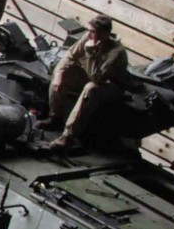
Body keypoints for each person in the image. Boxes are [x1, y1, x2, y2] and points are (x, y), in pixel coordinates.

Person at [47, 13, 130, 149]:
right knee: (63, 73)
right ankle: (55, 117)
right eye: (89, 31)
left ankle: (68, 136)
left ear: (105, 33)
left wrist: (90, 54)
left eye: (94, 32)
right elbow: (70, 55)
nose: (90, 34)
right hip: (90, 75)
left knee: (90, 88)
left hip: (112, 86)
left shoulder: (116, 52)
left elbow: (97, 78)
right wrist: (59, 73)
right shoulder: (89, 37)